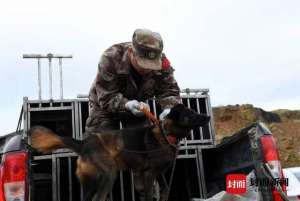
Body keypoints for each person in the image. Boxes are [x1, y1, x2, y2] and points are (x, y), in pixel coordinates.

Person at [85, 28, 181, 133]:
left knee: (143, 140)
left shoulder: (163, 64)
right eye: (142, 64)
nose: (147, 69)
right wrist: (127, 105)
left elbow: (169, 91)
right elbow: (107, 96)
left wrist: (170, 109)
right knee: (102, 142)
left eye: (152, 65)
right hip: (104, 105)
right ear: (131, 52)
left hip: (139, 108)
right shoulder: (111, 58)